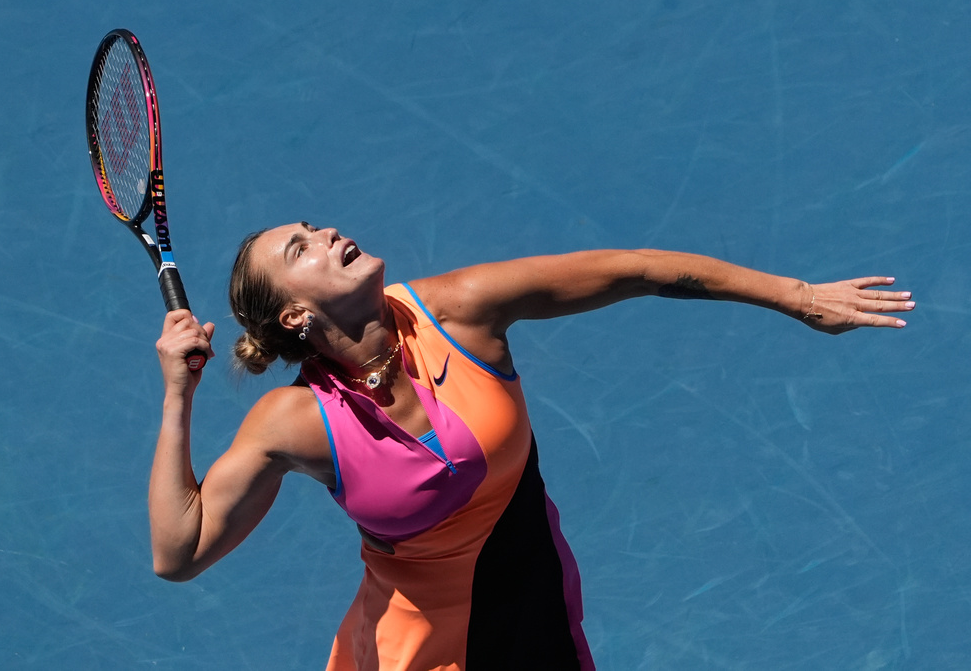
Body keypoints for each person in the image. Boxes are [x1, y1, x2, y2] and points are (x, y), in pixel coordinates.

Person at [149, 222, 915, 671]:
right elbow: (177, 552)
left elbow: (639, 270)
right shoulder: (296, 422)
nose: (327, 235)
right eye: (301, 250)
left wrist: (799, 296)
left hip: (538, 623)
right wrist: (178, 394)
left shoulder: (462, 310)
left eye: (315, 225)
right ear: (291, 317)